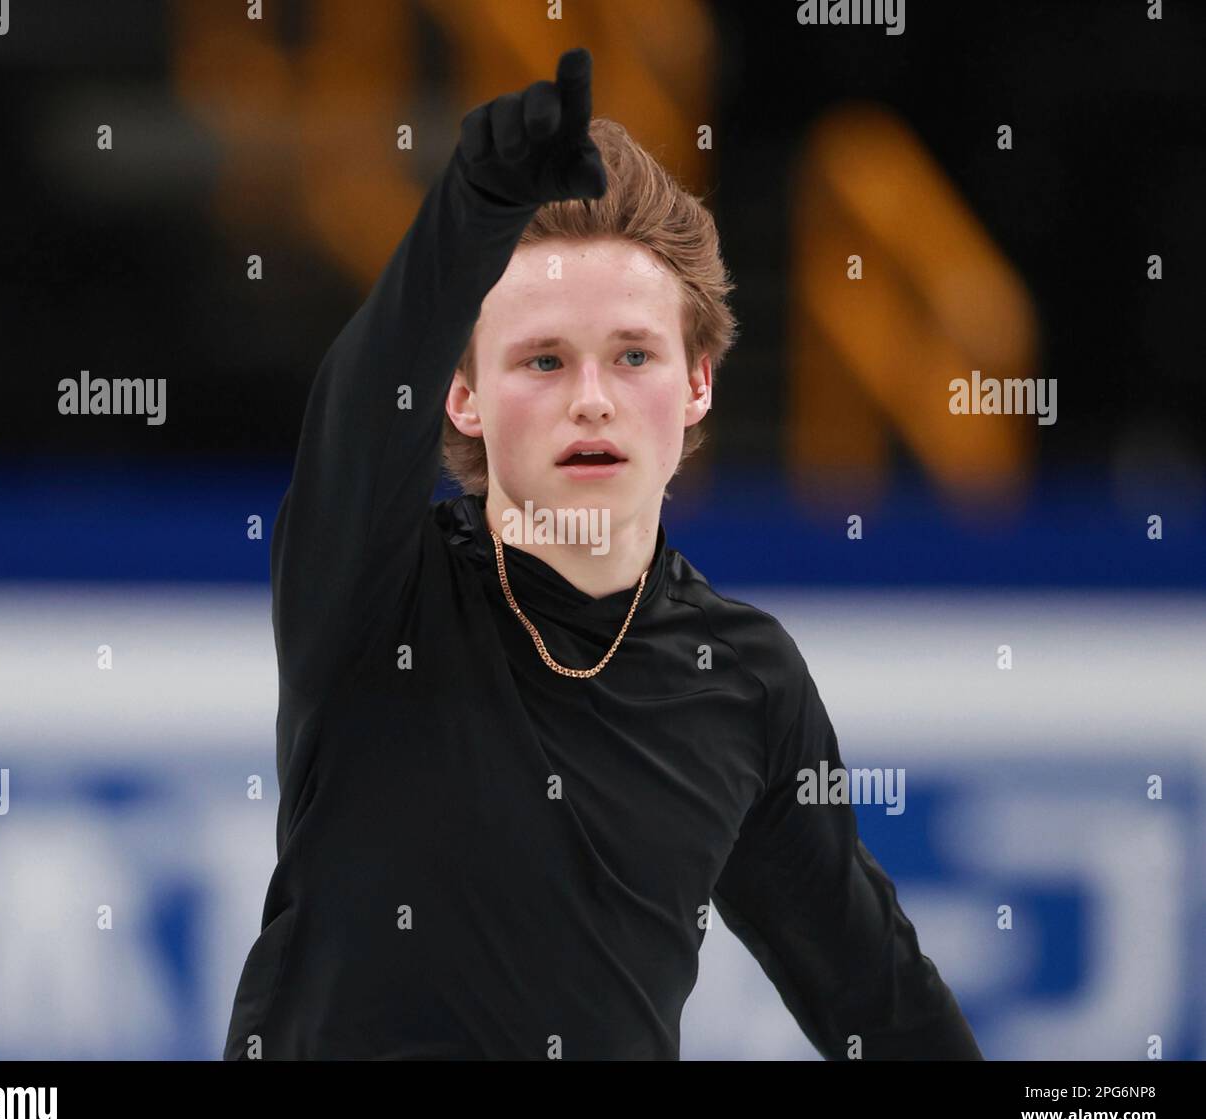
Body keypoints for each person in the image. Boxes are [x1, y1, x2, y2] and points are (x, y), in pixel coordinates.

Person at [223, 47, 982, 1061]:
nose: (592, 396)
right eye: (542, 359)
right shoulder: (377, 596)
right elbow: (360, 413)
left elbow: (876, 998)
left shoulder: (743, 680)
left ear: (699, 384)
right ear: (464, 397)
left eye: (633, 355)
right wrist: (471, 209)